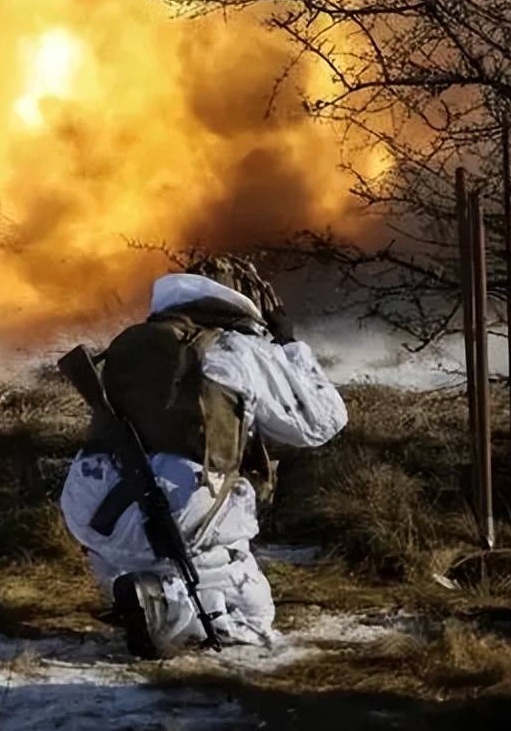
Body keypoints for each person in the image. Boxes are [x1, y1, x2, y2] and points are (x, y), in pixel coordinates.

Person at [60, 261, 347, 657]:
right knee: (252, 618)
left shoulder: (130, 342)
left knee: (134, 553)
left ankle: (137, 592)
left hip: (90, 509)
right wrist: (290, 347)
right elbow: (321, 423)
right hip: (179, 511)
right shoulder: (234, 349)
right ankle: (169, 603)